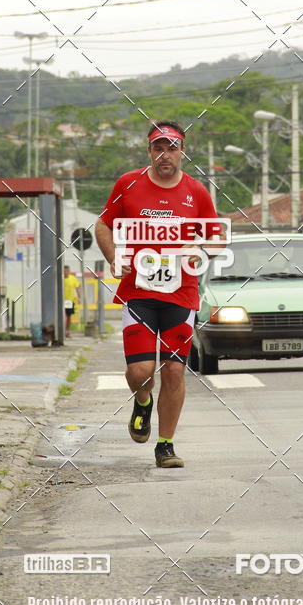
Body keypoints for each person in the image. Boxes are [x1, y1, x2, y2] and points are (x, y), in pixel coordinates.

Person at [95, 120, 223, 468]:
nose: (165, 154)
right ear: (149, 151)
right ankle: (142, 401)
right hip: (138, 292)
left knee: (174, 371)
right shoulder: (128, 183)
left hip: (181, 294)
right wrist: (114, 256)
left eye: (172, 148)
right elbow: (103, 224)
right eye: (158, 148)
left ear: (182, 152)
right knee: (141, 372)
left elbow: (216, 236)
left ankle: (165, 445)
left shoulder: (196, 192)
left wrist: (201, 252)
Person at [63, 265, 80, 338]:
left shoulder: (72, 279)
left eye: (67, 271)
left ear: (69, 271)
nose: (66, 272)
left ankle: (67, 331)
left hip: (69, 301)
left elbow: (77, 288)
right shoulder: (60, 279)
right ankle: (61, 330)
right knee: (61, 316)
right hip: (61, 301)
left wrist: (79, 297)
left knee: (68, 316)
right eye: (64, 271)